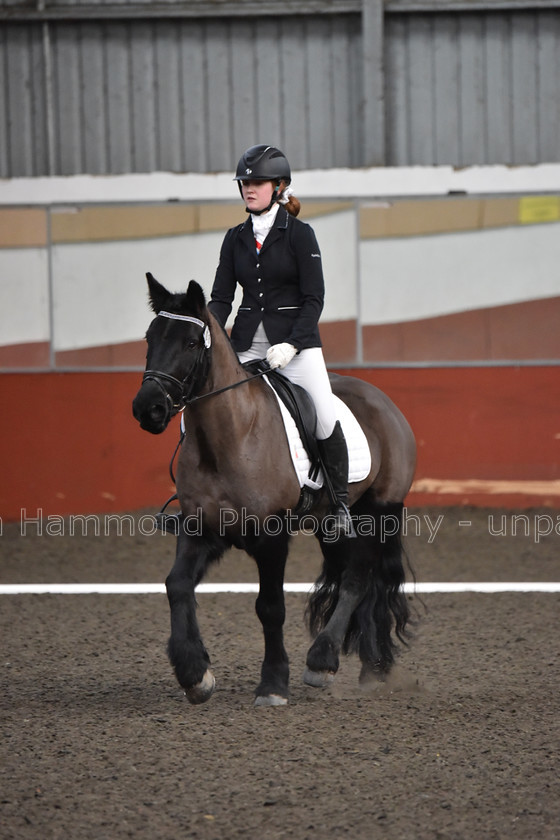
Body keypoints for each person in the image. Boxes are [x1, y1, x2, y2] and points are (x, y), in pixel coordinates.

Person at [208, 144, 355, 539]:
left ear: (279, 186)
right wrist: (210, 331)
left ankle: (339, 503)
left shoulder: (300, 236)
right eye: (244, 183)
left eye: (256, 183)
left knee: (324, 412)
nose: (248, 189)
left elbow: (314, 299)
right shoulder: (234, 238)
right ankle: (192, 494)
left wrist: (293, 344)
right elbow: (222, 297)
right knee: (203, 401)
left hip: (295, 344)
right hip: (245, 343)